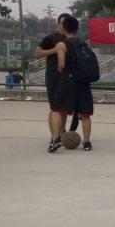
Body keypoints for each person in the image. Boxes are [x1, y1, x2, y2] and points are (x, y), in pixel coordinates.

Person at [48, 15, 95, 152]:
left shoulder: (61, 44)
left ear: (63, 27)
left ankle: (56, 139)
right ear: (77, 28)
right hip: (84, 83)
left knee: (57, 109)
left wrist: (60, 69)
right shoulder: (83, 45)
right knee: (85, 114)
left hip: (68, 82)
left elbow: (61, 64)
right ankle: (87, 142)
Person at [33, 13, 69, 148]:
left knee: (64, 108)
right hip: (54, 78)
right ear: (58, 24)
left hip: (68, 78)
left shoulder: (72, 39)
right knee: (54, 107)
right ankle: (54, 136)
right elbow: (37, 53)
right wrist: (54, 50)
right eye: (63, 23)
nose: (64, 25)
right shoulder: (50, 38)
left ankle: (61, 132)